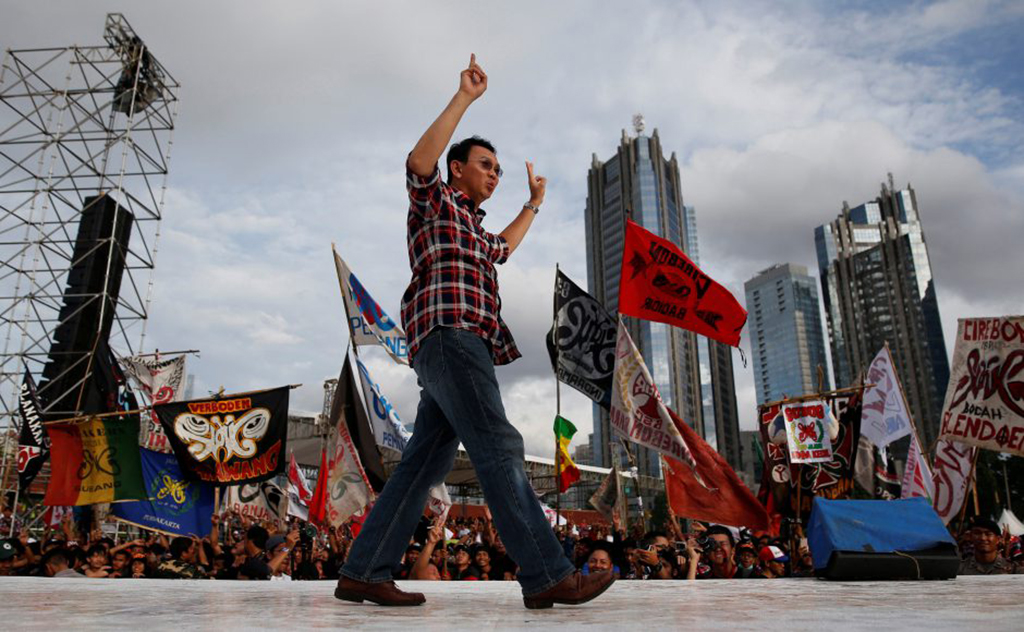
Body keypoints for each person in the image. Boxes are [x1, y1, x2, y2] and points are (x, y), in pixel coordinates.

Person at [334, 53, 613, 610]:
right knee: (498, 445)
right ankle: (547, 573)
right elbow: (419, 163)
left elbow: (503, 247)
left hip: (454, 345)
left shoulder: (476, 230)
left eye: (499, 170)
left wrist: (533, 203)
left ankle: (364, 571)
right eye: (486, 165)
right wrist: (465, 97)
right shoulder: (436, 204)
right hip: (451, 335)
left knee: (424, 463)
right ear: (457, 168)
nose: (494, 174)